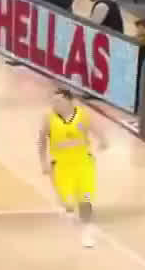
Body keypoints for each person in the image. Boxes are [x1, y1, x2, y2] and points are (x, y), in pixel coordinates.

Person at [39, 87, 107, 248]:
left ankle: (87, 231)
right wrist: (43, 162)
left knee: (85, 199)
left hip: (83, 164)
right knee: (67, 201)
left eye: (59, 101)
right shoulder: (49, 119)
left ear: (69, 101)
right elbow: (41, 141)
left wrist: (103, 141)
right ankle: (69, 209)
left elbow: (97, 132)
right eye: (53, 101)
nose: (55, 104)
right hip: (61, 166)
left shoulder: (83, 115)